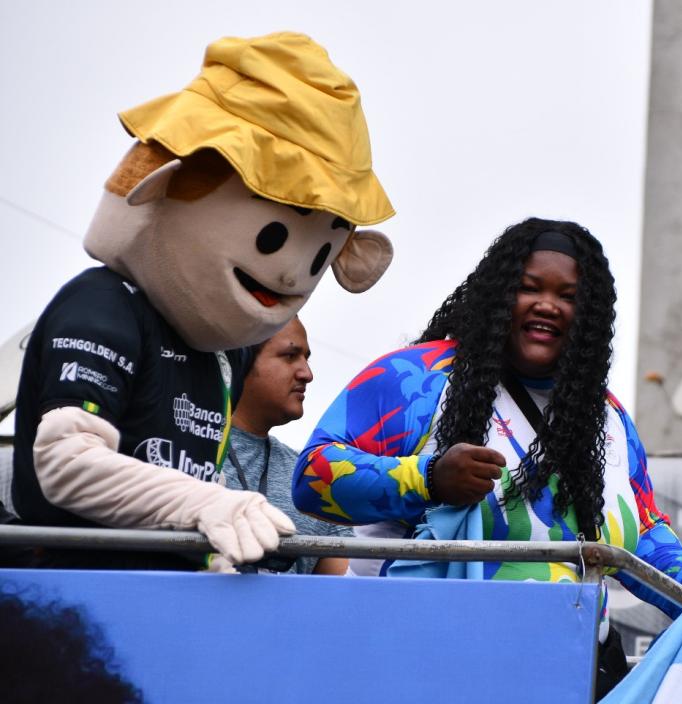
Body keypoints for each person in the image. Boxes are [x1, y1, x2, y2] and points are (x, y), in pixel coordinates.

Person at [292, 217, 682, 697]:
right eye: (529, 288)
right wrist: (427, 479)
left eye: (569, 297)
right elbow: (311, 477)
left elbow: (637, 532)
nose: (547, 306)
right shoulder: (414, 378)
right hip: (417, 666)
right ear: (498, 295)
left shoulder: (609, 418)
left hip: (571, 672)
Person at [9, 33, 395, 571]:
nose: (290, 274)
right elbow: (64, 464)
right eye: (271, 235)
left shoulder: (218, 350)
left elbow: (189, 473)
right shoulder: (103, 305)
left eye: (316, 257)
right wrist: (207, 505)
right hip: (75, 597)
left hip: (172, 602)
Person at [225, 317, 349, 575]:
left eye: (306, 358)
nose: (307, 374)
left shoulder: (314, 477)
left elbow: (342, 594)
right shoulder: (183, 451)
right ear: (241, 359)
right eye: (290, 355)